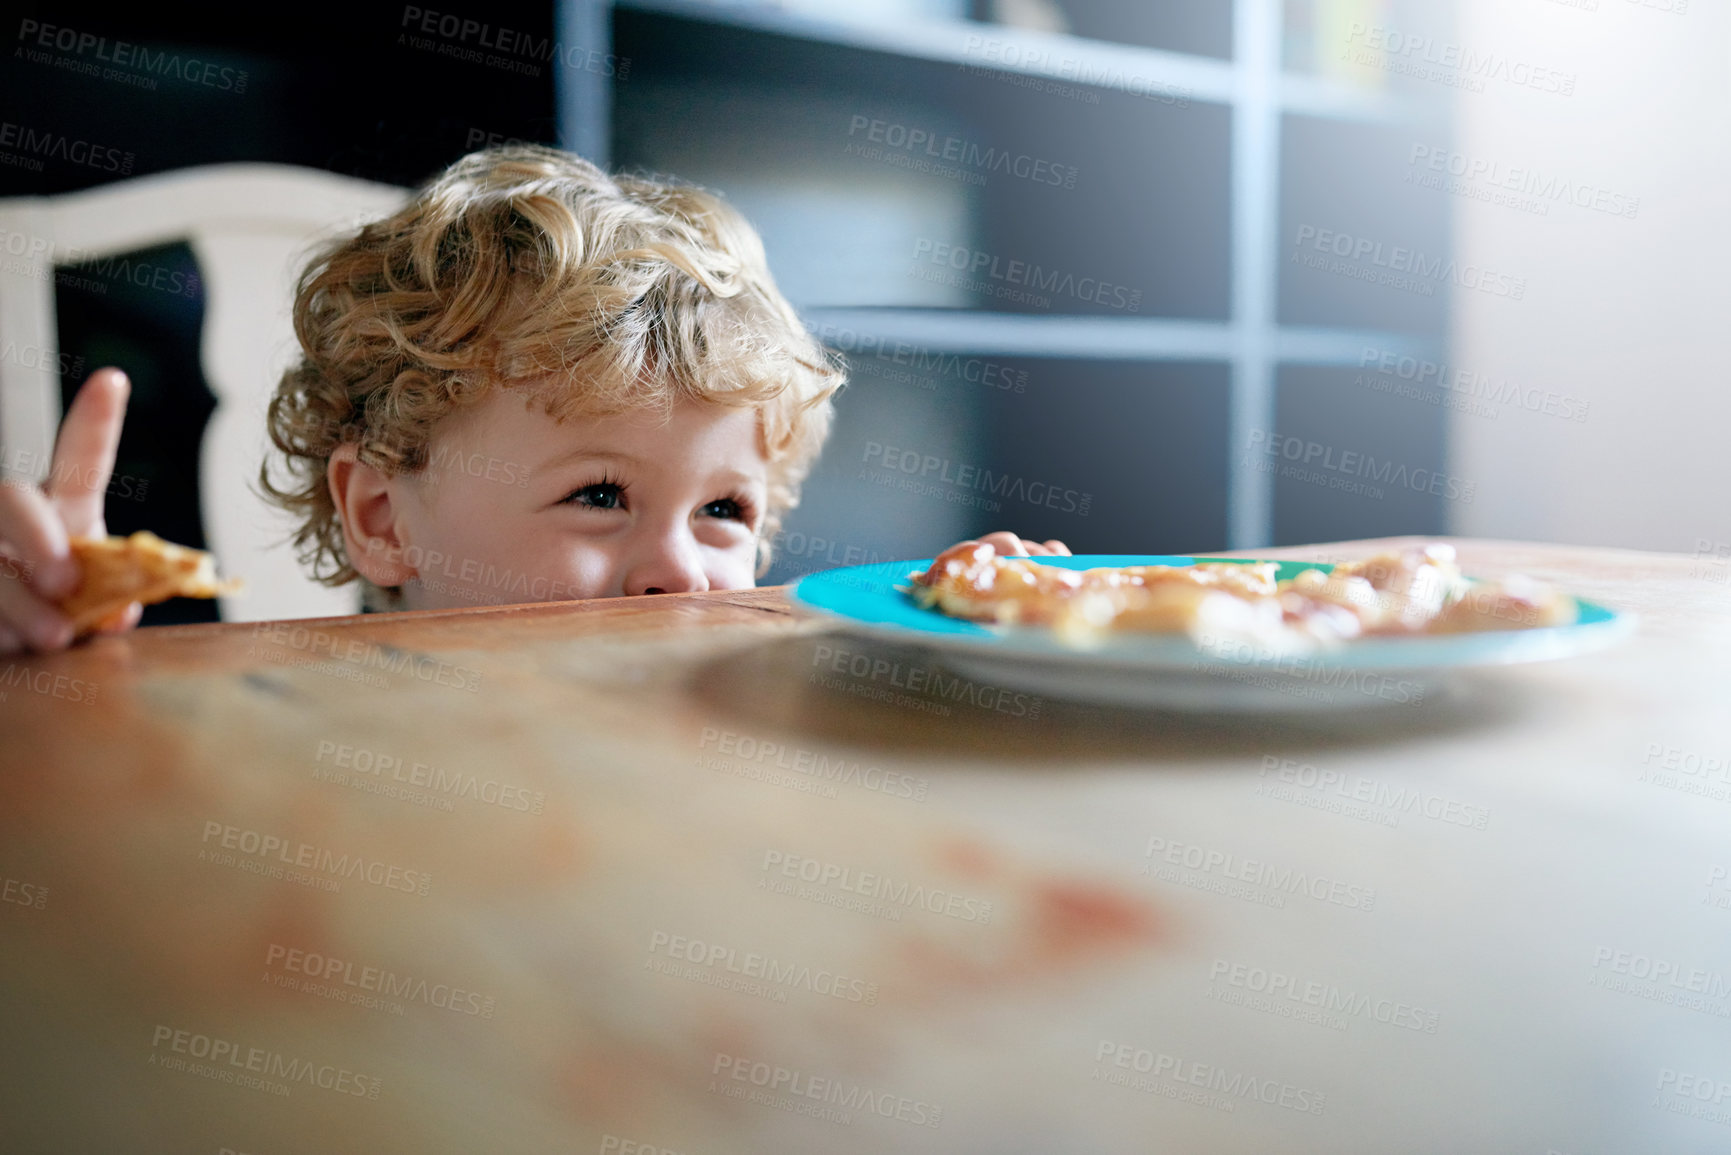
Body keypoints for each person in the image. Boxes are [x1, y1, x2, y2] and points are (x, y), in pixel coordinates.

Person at [0, 145, 1067, 654]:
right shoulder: (301, 762)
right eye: (601, 494)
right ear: (382, 519)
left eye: (726, 511)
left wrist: (964, 643)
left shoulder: (735, 705)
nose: (679, 576)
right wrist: (44, 666)